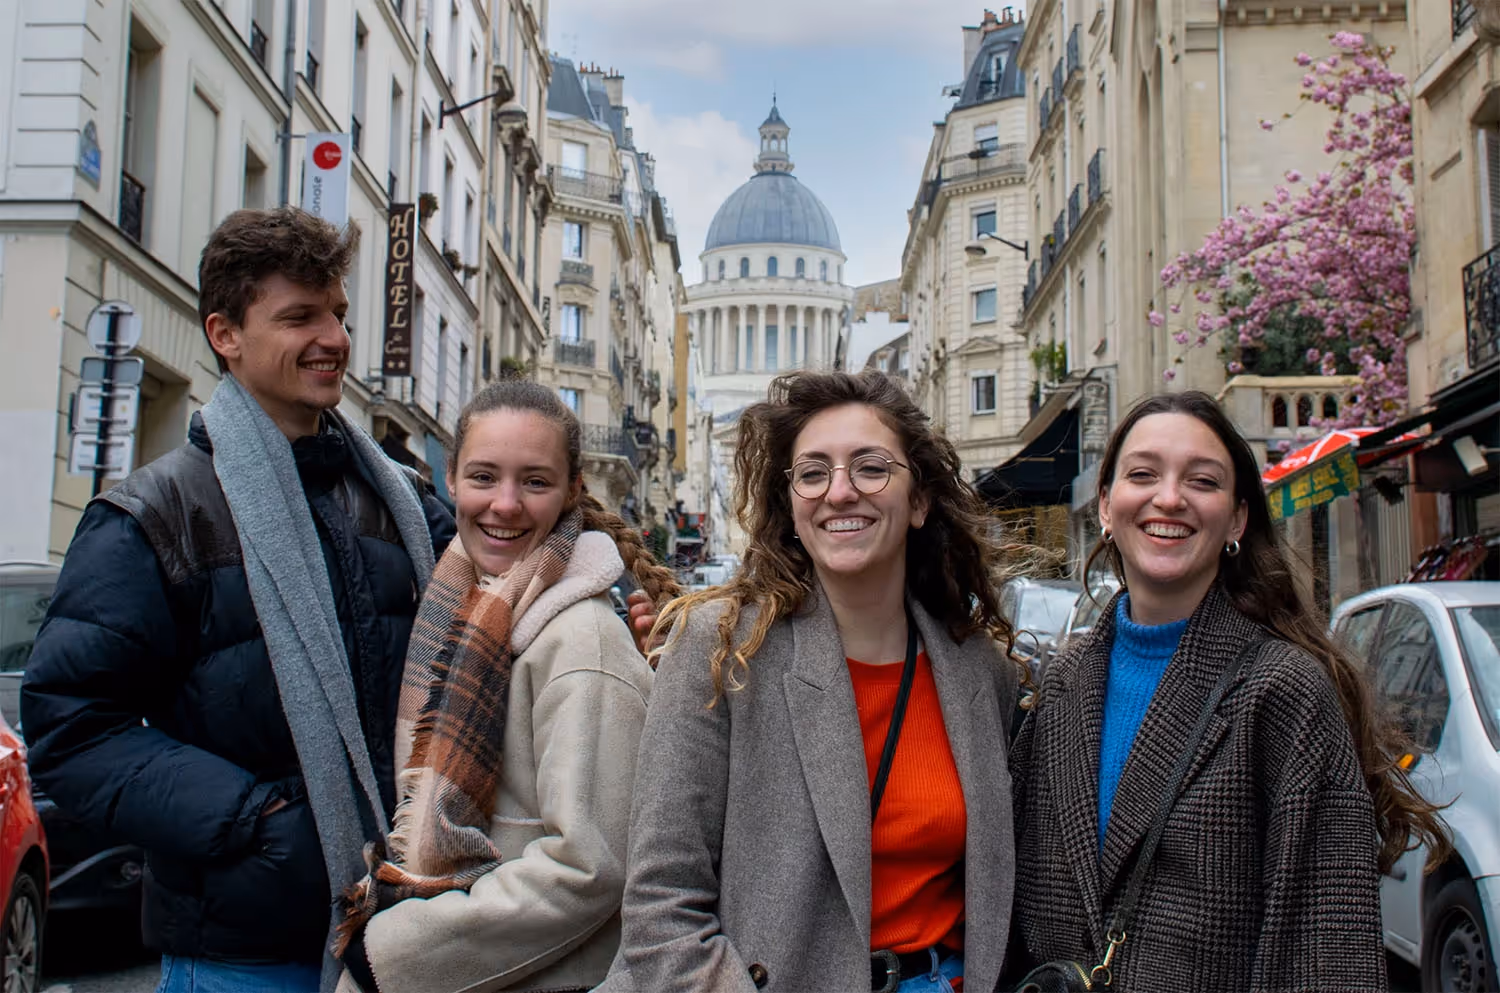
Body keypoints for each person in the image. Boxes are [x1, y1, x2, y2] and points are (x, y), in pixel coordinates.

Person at [19, 207, 661, 993]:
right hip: (246, 949)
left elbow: (517, 569)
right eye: (299, 316)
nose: (332, 337)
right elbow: (74, 727)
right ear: (226, 334)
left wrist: (617, 601)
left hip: (399, 933)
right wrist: (258, 821)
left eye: (337, 313)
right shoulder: (154, 518)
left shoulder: (395, 498)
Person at [1007, 391, 1448, 992]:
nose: (1169, 498)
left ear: (1237, 518)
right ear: (1106, 506)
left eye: (1202, 481)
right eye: (1143, 474)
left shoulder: (1283, 691)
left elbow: (1327, 952)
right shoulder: (1062, 685)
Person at [602, 369, 1024, 993]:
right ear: (792, 506)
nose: (840, 491)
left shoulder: (979, 669)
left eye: (871, 468)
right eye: (813, 472)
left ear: (919, 500)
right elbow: (662, 902)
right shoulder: (720, 649)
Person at [333, 379, 675, 993]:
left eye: (535, 481)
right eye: (484, 477)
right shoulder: (458, 606)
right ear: (452, 482)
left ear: (573, 491)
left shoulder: (581, 641)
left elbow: (590, 867)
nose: (506, 504)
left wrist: (392, 957)